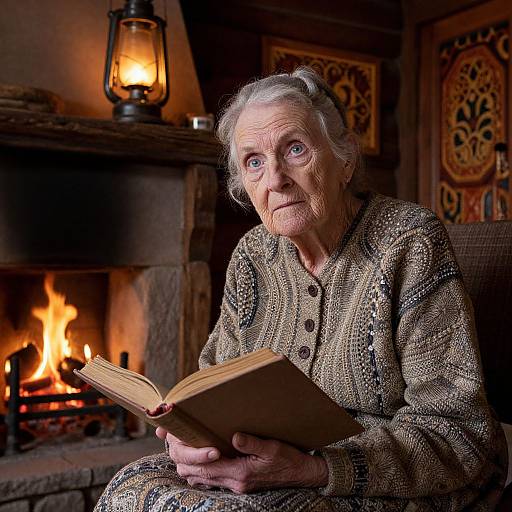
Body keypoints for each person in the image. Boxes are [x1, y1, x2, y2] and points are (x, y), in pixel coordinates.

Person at [94, 67, 507, 512]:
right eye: (254, 161)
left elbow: (459, 432)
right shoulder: (253, 254)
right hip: (262, 464)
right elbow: (213, 384)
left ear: (344, 158)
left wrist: (313, 467)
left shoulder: (409, 242)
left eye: (294, 150)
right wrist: (189, 438)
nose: (275, 178)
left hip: (396, 480)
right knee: (131, 489)